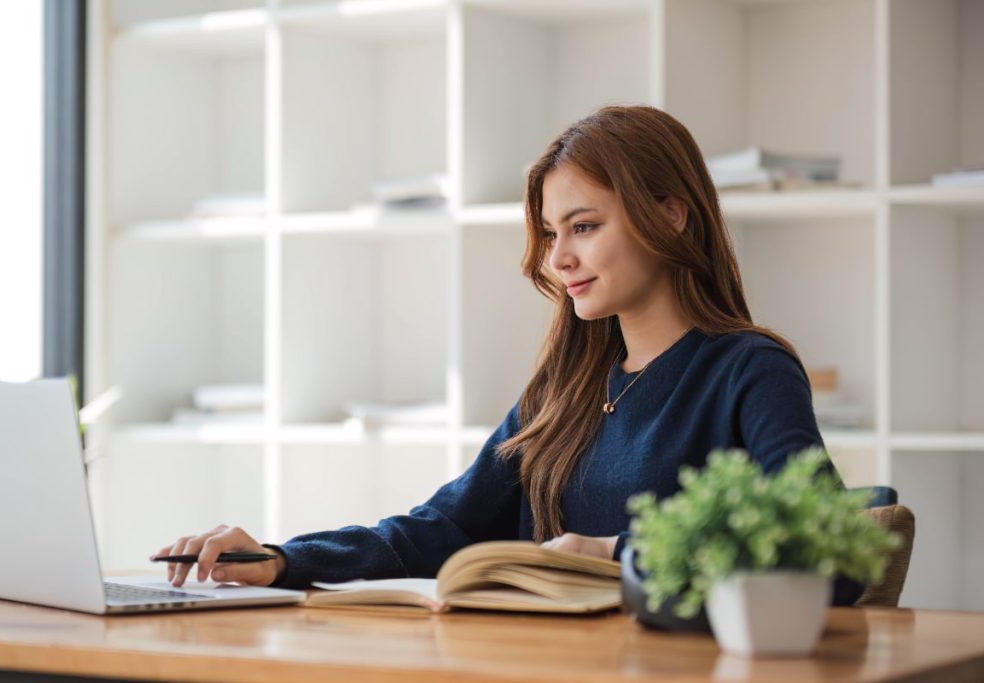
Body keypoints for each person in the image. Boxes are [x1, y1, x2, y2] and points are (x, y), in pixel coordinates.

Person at [157, 105, 861, 604]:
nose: (559, 258)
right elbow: (441, 528)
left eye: (584, 226)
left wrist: (614, 550)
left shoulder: (749, 370)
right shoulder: (567, 386)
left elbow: (830, 557)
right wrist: (282, 558)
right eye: (552, 232)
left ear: (671, 215)